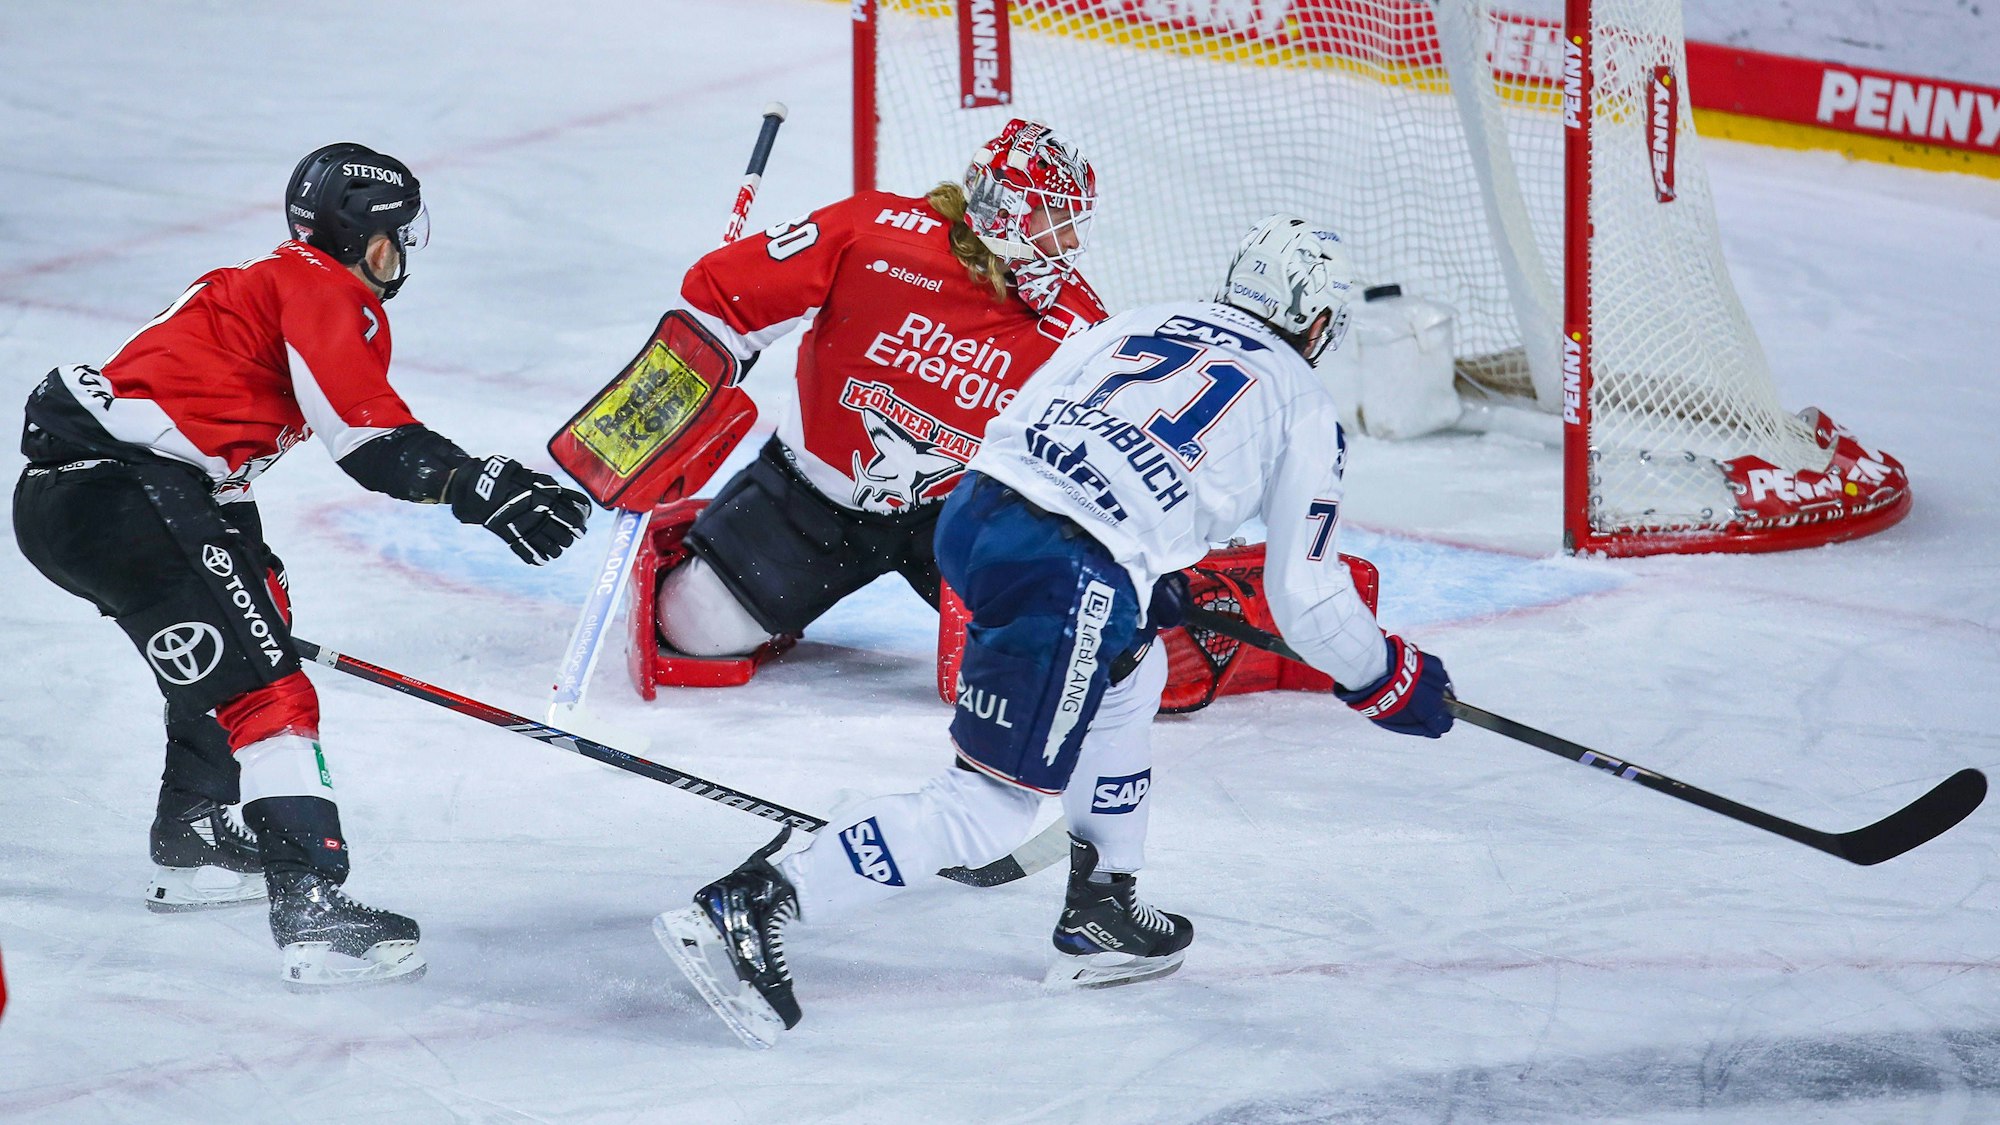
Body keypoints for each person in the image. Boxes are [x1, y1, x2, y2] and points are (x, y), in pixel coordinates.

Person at [655, 214, 1457, 1048]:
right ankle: (756, 905)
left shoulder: (1138, 322)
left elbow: (1017, 425)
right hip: (1066, 565)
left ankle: (1105, 905)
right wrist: (1387, 675)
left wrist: (1141, 569)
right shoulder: (1303, 401)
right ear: (1319, 323)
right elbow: (1309, 600)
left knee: (1130, 669)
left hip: (970, 515)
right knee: (992, 805)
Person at [11, 142, 590, 987]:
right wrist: (477, 484)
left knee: (249, 636)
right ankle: (311, 905)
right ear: (364, 238)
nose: (400, 257)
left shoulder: (246, 283)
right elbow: (369, 441)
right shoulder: (325, 288)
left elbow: (197, 435)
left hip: (82, 500)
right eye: (396, 236)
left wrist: (252, 573)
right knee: (272, 691)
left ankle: (196, 833)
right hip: (127, 493)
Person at [645, 118, 1108, 667]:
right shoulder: (873, 235)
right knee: (694, 626)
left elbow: (1104, 440)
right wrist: (705, 364)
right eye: (1055, 217)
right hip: (806, 499)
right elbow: (724, 302)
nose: (1073, 241)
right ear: (1008, 211)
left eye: (1074, 220)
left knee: (1064, 652)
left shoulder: (1075, 320)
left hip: (957, 519)